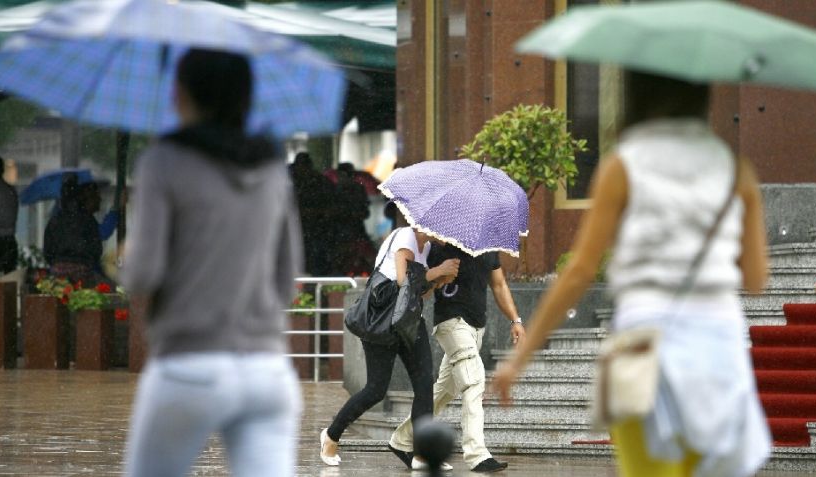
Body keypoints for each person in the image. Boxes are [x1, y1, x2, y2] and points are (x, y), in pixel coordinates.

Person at [493, 71, 772, 477]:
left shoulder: (623, 166)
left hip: (643, 345)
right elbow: (756, 279)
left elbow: (580, 270)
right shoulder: (736, 171)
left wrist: (519, 359)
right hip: (718, 347)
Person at [121, 48, 302, 477]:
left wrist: (129, 255)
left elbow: (143, 274)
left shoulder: (164, 162)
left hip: (189, 364)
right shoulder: (272, 169)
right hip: (267, 371)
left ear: (180, 94)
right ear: (247, 97)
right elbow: (285, 281)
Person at [320, 226, 460, 467]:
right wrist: (437, 271)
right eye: (444, 228)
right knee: (376, 389)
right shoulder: (405, 236)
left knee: (424, 384)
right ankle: (331, 435)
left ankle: (422, 454)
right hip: (382, 322)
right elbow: (403, 281)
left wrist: (439, 281)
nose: (447, 233)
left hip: (409, 322)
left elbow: (418, 294)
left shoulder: (426, 248)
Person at [389, 244, 526, 472]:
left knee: (444, 391)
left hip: (476, 328)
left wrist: (516, 320)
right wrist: (440, 273)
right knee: (474, 382)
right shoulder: (441, 247)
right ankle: (477, 454)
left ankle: (402, 439)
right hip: (451, 323)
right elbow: (419, 288)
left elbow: (499, 284)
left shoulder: (488, 247)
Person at [43, 175, 105, 286]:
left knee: (59, 294)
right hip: (83, 271)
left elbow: (48, 250)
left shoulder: (55, 220)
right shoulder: (88, 219)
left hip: (58, 271)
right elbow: (96, 249)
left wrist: (58, 262)